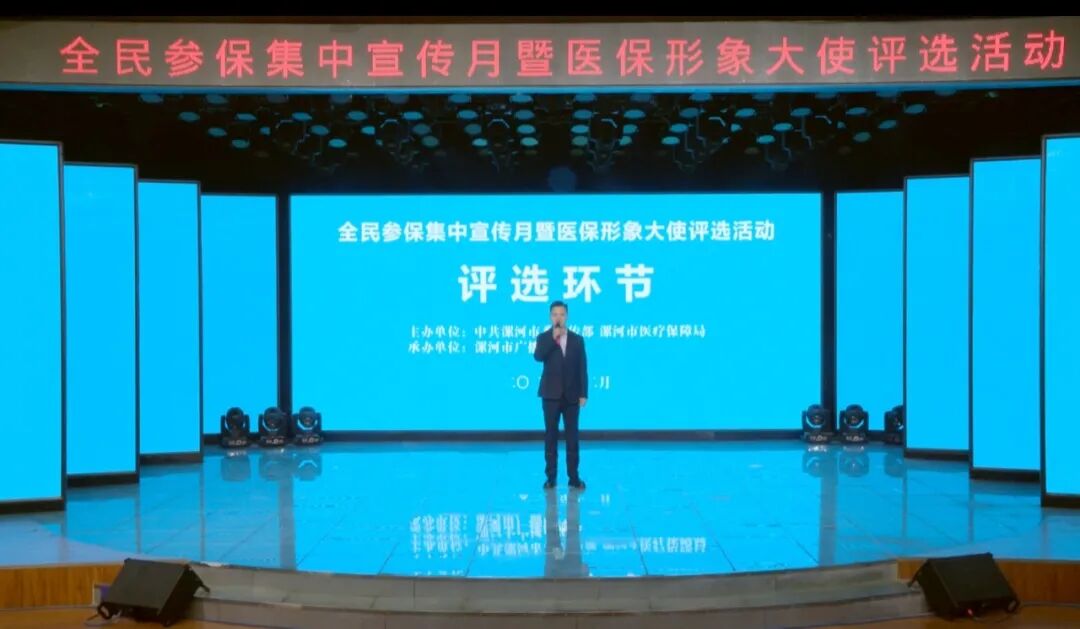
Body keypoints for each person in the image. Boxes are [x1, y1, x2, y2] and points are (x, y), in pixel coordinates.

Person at [533, 300, 588, 490]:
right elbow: (538, 356)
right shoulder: (543, 338)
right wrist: (552, 339)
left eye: (562, 314)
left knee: (572, 438)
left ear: (567, 316)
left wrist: (583, 393)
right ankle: (551, 477)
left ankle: (574, 477)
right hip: (550, 395)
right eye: (555, 314)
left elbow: (582, 368)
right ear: (550, 317)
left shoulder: (577, 339)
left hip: (572, 396)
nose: (559, 317)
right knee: (551, 437)